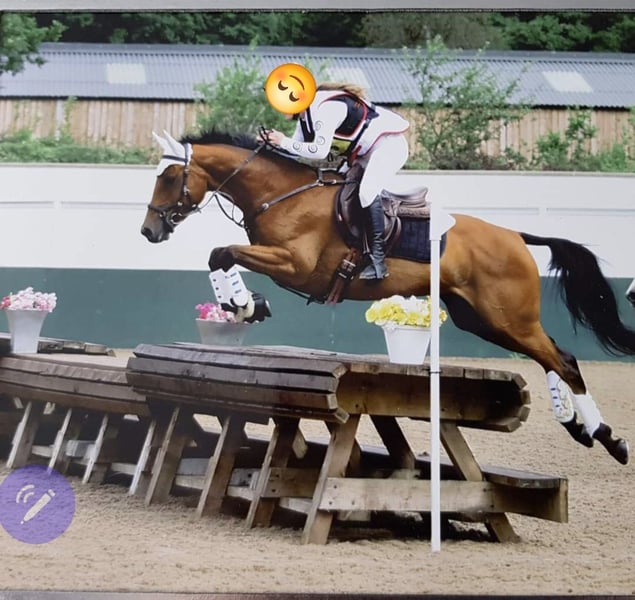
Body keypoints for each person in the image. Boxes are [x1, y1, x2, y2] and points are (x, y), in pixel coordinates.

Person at [258, 82, 410, 280]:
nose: (277, 107)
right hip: (364, 154)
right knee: (337, 187)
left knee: (366, 193)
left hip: (389, 146)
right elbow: (296, 154)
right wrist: (270, 145)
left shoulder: (325, 109)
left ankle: (378, 260)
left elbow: (319, 151)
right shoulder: (305, 118)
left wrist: (283, 141)